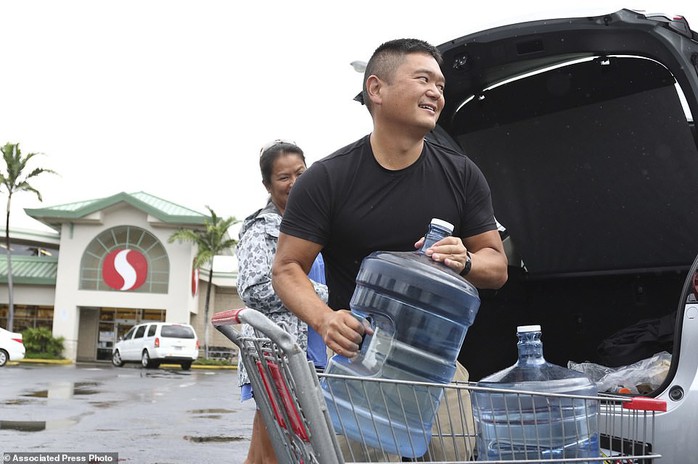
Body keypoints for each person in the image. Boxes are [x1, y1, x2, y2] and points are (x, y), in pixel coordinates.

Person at [271, 38, 508, 459]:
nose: (436, 91)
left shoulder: (461, 174)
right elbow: (287, 268)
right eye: (423, 79)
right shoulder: (327, 179)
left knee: (454, 453)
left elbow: (497, 265)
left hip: (437, 365)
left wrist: (466, 260)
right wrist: (326, 321)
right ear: (376, 90)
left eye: (440, 83)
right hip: (359, 363)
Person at [236, 140, 328, 464]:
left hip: (313, 350)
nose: (295, 183)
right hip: (277, 353)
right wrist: (317, 295)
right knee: (280, 445)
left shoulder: (318, 225)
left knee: (268, 448)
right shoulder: (260, 231)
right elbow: (253, 289)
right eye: (284, 177)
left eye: (301, 173)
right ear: (268, 184)